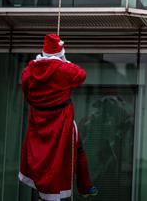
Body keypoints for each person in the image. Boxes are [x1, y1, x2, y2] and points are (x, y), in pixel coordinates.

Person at [19, 33, 98, 200]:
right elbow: (81, 75)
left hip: (38, 120)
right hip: (60, 120)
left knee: (40, 156)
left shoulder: (29, 71)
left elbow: (27, 92)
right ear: (60, 52)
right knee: (74, 151)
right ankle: (85, 186)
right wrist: (64, 62)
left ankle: (43, 191)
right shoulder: (64, 70)